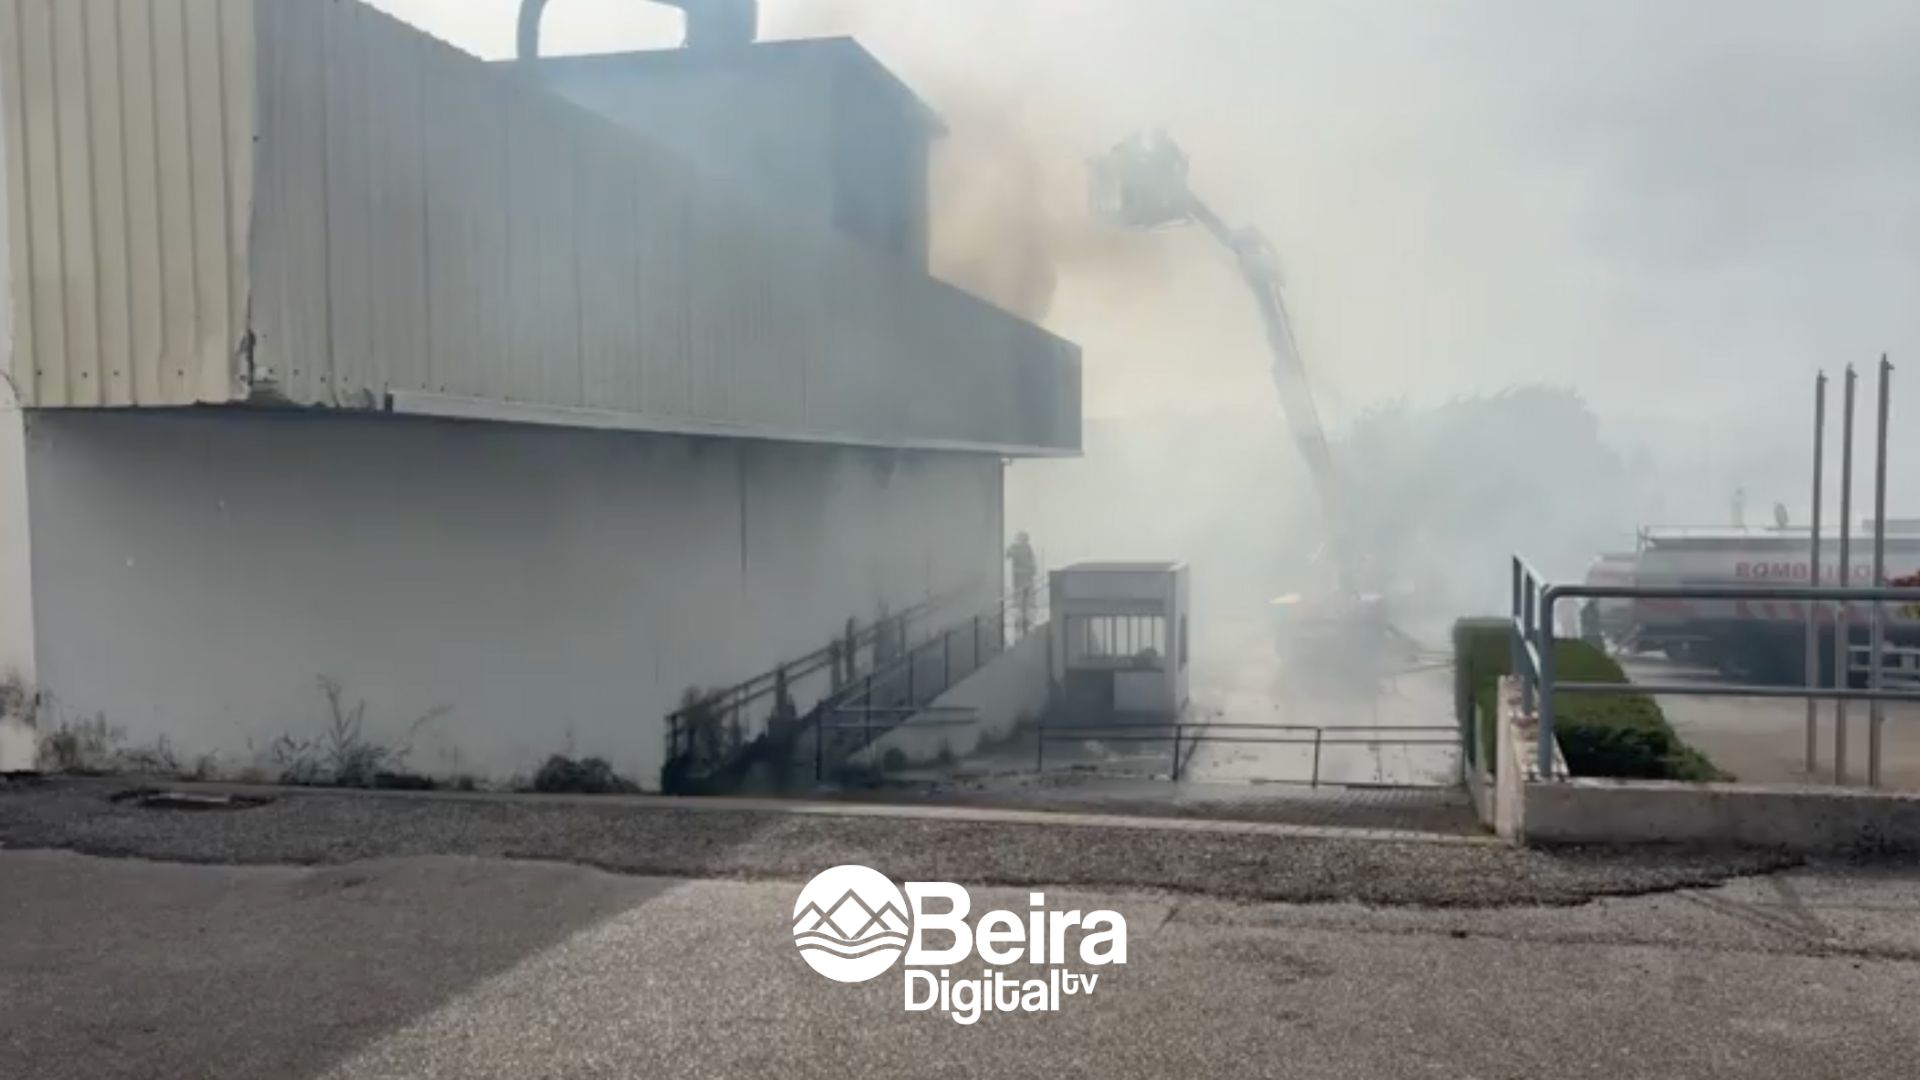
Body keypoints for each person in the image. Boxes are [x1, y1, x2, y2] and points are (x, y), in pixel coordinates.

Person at [1007, 532, 1037, 636]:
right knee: (1020, 595)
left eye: (1025, 539)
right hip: (1019, 574)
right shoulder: (1014, 547)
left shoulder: (1028, 548)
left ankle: (1025, 615)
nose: (1025, 540)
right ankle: (1021, 615)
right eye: (1023, 538)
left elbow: (1032, 560)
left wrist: (1032, 568)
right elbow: (1008, 555)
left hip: (1025, 574)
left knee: (1026, 595)